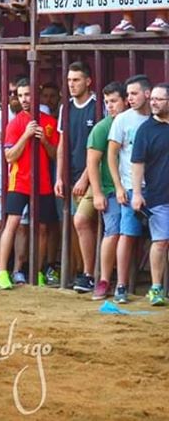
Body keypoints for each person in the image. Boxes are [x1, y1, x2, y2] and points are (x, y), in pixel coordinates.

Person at [0, 79, 60, 290]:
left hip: (43, 182)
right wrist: (26, 135)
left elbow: (54, 155)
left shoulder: (49, 121)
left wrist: (44, 140)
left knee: (42, 228)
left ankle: (37, 271)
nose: (24, 99)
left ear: (36, 94)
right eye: (21, 95)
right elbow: (9, 156)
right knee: (12, 223)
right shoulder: (14, 123)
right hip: (19, 180)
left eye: (28, 95)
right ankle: (2, 271)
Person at [52, 62, 98, 293]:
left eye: (76, 80)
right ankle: (84, 272)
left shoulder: (98, 106)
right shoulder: (65, 107)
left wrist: (85, 178)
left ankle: (90, 275)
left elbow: (100, 148)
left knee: (81, 221)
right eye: (69, 80)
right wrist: (59, 177)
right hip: (71, 176)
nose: (71, 84)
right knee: (76, 225)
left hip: (94, 177)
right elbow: (62, 145)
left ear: (88, 81)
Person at [106, 75, 151, 304]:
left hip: (158, 187)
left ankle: (157, 286)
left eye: (134, 94)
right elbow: (111, 154)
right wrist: (119, 186)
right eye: (128, 94)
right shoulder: (122, 120)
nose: (129, 98)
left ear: (147, 94)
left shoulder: (158, 118)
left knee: (160, 239)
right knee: (127, 235)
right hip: (130, 187)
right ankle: (121, 285)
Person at [86, 81, 127, 300]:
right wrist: (99, 193)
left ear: (125, 101)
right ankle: (103, 280)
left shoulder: (135, 122)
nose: (110, 106)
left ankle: (123, 282)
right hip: (111, 190)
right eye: (107, 102)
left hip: (134, 188)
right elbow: (92, 162)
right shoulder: (102, 127)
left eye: (114, 101)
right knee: (113, 233)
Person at [130, 81, 169, 306]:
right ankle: (156, 287)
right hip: (158, 195)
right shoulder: (146, 129)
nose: (153, 102)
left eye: (158, 99)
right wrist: (137, 193)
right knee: (160, 242)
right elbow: (137, 163)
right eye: (152, 98)